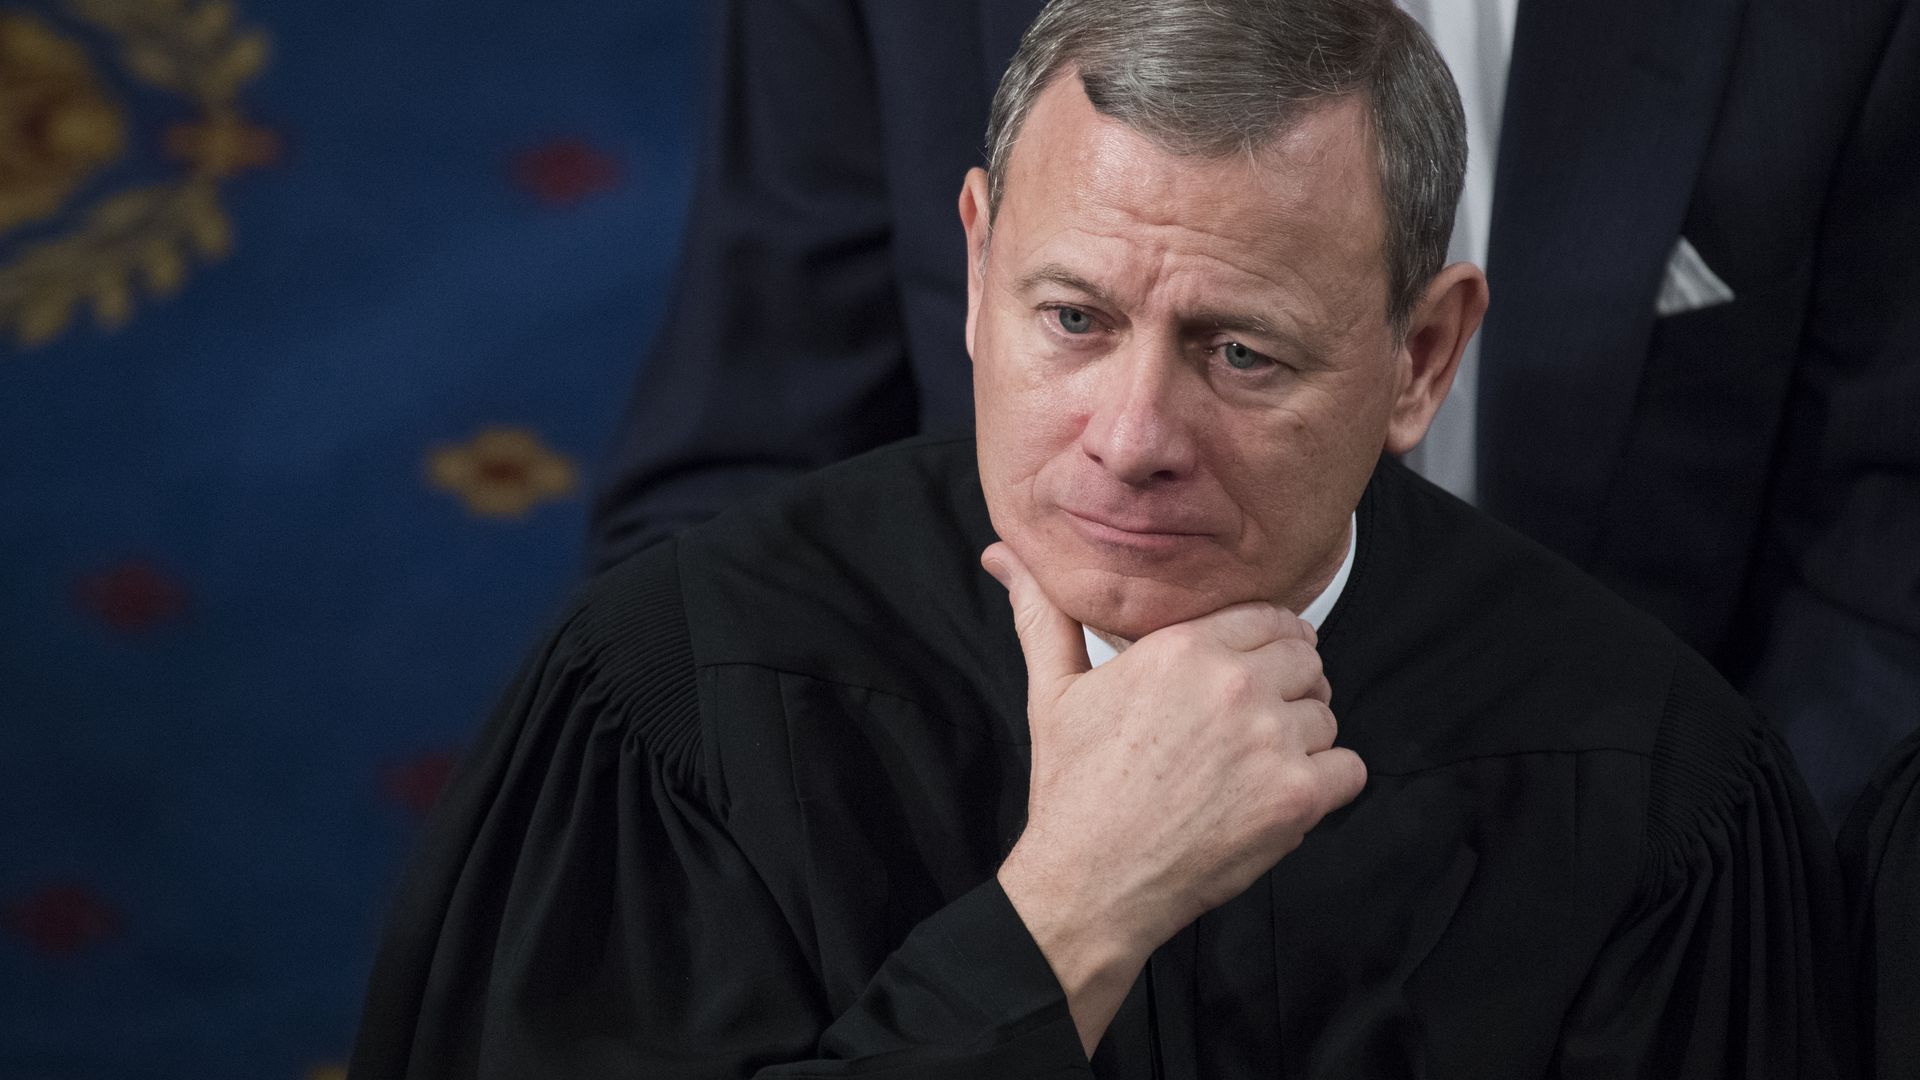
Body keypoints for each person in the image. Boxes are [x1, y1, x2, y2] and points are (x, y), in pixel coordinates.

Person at [356, 1, 1852, 1074]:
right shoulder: (676, 704)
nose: (1133, 437)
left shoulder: (1657, 798)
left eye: (1242, 354)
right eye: (1074, 319)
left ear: (1421, 359)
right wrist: (1063, 925)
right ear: (974, 261)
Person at [588, 0, 1920, 828]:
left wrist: (1697, 903)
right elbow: (739, 476)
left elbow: (1886, 558)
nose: (1138, 434)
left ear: (1430, 348)